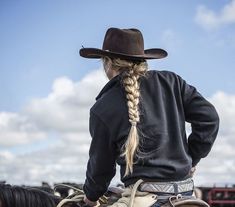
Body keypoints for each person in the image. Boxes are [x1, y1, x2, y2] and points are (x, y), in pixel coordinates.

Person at [79, 27, 219, 207]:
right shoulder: (172, 82)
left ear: (107, 63)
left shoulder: (102, 107)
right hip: (187, 193)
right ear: (143, 60)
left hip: (141, 198)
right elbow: (210, 118)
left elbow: (101, 168)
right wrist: (192, 158)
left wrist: (90, 197)